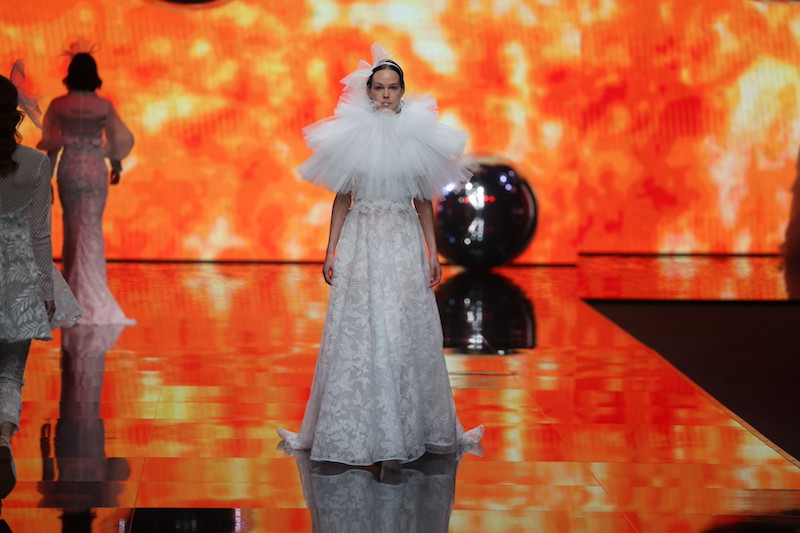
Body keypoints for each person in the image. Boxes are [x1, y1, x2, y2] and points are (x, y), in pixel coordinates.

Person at [278, 43, 483, 467]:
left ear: (402, 91)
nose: (385, 95)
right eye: (379, 88)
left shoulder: (417, 138)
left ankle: (405, 427)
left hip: (403, 241)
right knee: (361, 329)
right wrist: (331, 247)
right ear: (368, 92)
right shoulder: (352, 137)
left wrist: (433, 251)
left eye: (392, 88)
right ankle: (364, 427)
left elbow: (423, 202)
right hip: (363, 240)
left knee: (401, 327)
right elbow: (342, 198)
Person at [0, 71, 80, 499]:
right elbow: (39, 235)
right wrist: (47, 291)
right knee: (10, 374)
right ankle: (1, 440)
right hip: (17, 279)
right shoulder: (35, 162)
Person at [38, 51, 135, 325]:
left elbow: (52, 146)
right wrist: (116, 165)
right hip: (93, 170)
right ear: (93, 75)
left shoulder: (59, 104)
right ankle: (88, 297)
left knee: (73, 230)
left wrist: (45, 179)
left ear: (71, 74)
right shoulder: (103, 106)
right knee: (90, 230)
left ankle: (71, 299)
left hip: (70, 169)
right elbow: (119, 138)